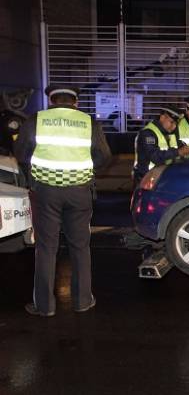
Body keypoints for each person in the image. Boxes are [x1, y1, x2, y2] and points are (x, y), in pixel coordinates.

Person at [15, 84, 112, 317]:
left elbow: (21, 152)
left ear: (52, 101)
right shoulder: (89, 123)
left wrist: (39, 167)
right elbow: (104, 157)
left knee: (46, 248)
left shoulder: (37, 120)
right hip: (79, 192)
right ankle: (82, 301)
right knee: (80, 246)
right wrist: (82, 169)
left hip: (46, 192)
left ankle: (45, 306)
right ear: (75, 102)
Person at [132, 105, 189, 187]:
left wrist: (188, 149)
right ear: (162, 117)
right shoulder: (148, 134)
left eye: (176, 124)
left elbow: (181, 147)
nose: (174, 127)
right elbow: (155, 156)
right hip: (147, 178)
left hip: (163, 175)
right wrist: (178, 152)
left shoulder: (170, 132)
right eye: (171, 122)